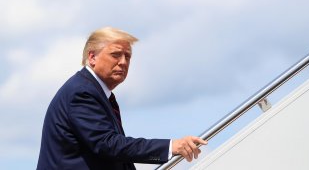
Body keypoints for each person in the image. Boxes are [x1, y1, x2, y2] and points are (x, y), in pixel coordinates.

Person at [37, 27, 207, 170]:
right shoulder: (82, 92)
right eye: (116, 55)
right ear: (92, 57)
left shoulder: (94, 91)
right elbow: (108, 145)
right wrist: (171, 146)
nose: (123, 62)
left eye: (128, 56)